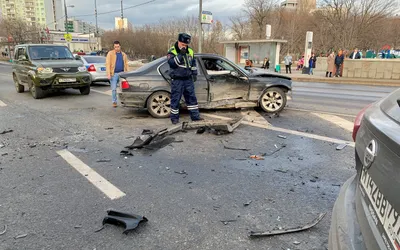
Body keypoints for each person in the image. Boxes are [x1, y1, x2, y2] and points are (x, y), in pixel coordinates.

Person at [167, 33, 202, 124]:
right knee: (175, 100)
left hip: (188, 79)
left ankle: (195, 117)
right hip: (177, 80)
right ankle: (174, 119)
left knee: (192, 99)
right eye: (183, 44)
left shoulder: (190, 51)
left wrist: (194, 73)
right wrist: (180, 54)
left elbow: (193, 63)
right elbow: (173, 64)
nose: (184, 46)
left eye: (186, 45)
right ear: (178, 42)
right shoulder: (172, 51)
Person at [106, 41, 128, 107]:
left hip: (122, 74)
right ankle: (114, 102)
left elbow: (126, 64)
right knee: (114, 89)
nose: (116, 48)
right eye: (115, 47)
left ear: (120, 46)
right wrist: (108, 74)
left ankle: (124, 101)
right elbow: (108, 64)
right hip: (114, 74)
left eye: (118, 47)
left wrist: (128, 73)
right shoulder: (110, 53)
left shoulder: (123, 54)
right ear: (114, 47)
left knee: (124, 89)